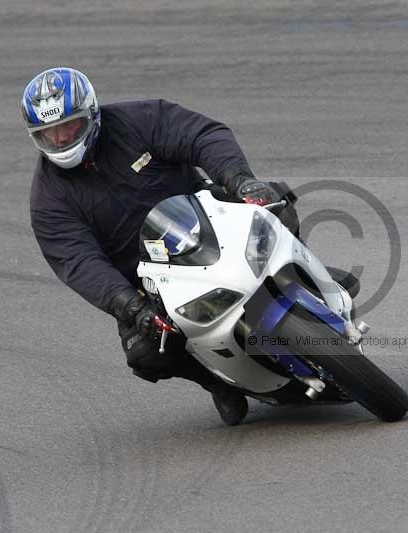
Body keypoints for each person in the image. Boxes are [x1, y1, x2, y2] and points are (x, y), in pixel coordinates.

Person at [23, 67, 284, 426]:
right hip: (147, 278)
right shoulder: (48, 199)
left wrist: (239, 180)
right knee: (146, 352)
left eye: (69, 126)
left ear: (91, 114)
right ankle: (219, 384)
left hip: (207, 220)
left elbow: (202, 135)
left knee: (275, 198)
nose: (61, 139)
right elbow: (79, 262)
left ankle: (311, 283)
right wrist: (128, 305)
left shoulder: (140, 119)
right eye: (48, 134)